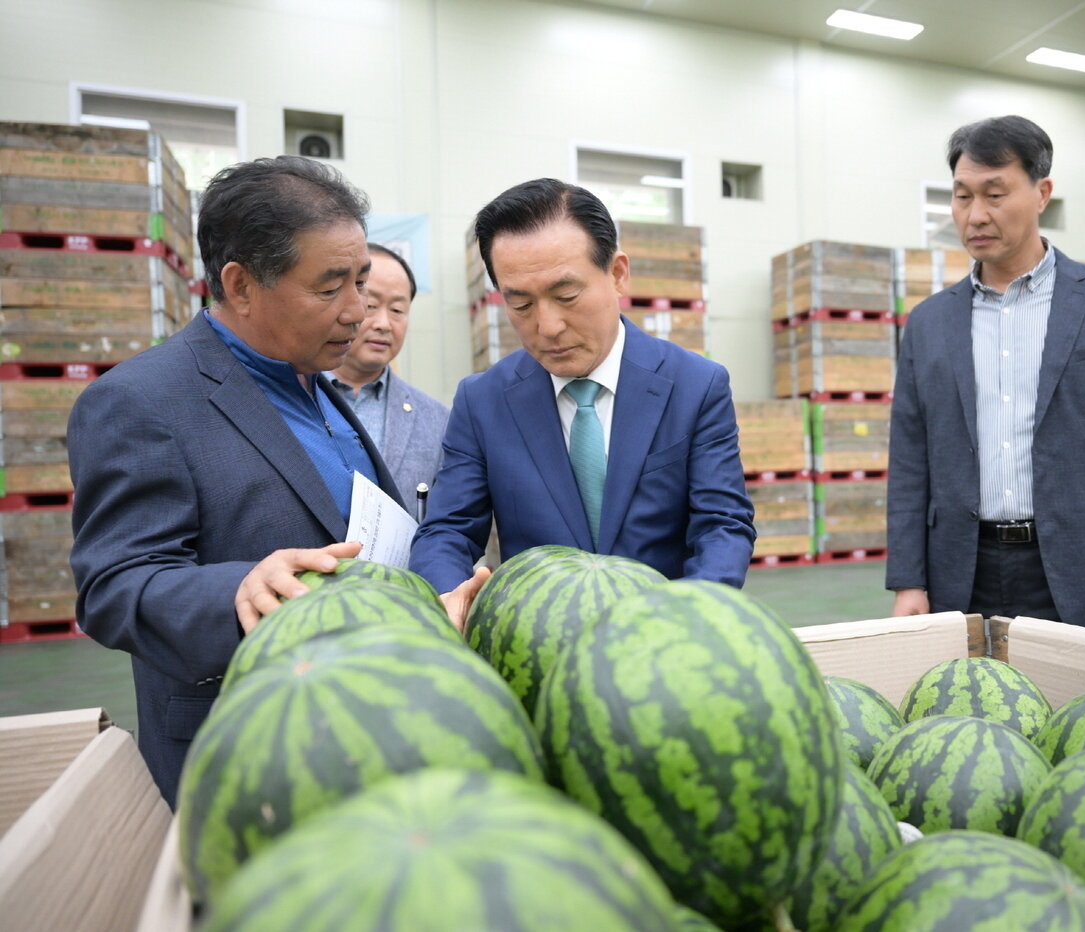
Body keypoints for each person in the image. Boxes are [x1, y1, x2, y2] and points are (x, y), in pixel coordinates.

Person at [66, 156, 486, 804]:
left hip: (366, 736)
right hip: (247, 761)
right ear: (240, 286)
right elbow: (114, 588)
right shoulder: (140, 401)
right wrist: (240, 587)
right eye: (330, 288)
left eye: (363, 282)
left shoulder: (318, 383)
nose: (359, 312)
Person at [886, 115, 1085, 635]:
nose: (975, 215)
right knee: (965, 711)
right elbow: (910, 460)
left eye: (995, 194)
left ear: (1042, 194)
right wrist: (909, 581)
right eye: (963, 196)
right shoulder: (929, 322)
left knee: (1076, 713)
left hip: (1079, 568)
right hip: (959, 570)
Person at [410, 178, 754, 596]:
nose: (548, 327)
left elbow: (721, 525)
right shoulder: (483, 400)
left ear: (617, 274)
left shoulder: (695, 385)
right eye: (520, 304)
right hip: (539, 641)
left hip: (662, 635)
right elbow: (447, 530)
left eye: (567, 295)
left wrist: (691, 619)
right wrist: (450, 599)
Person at [329, 243, 449, 503]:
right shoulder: (294, 396)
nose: (384, 324)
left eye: (397, 310)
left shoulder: (439, 421)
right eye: (371, 306)